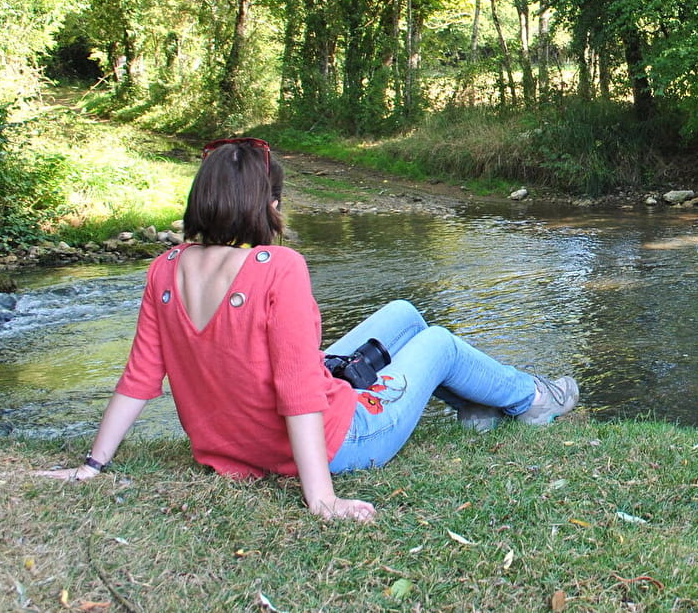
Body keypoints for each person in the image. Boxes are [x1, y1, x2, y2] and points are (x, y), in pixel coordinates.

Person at [39, 137, 579, 521]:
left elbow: (139, 378)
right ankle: (532, 399)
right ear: (267, 203)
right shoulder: (279, 265)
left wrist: (93, 466)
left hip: (231, 445)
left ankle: (473, 405)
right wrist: (322, 499)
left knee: (403, 314)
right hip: (342, 442)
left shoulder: (164, 268)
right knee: (436, 339)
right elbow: (298, 392)